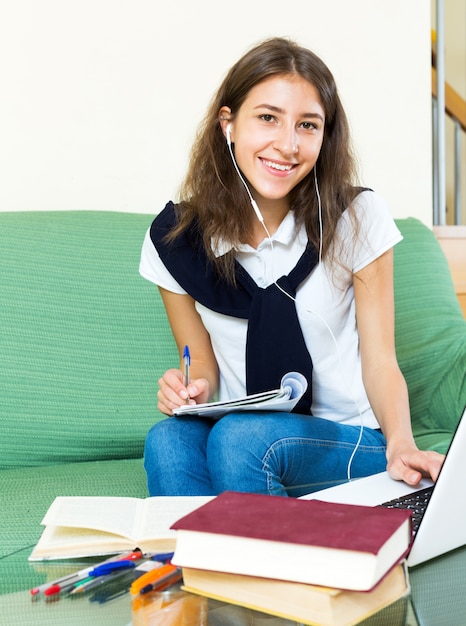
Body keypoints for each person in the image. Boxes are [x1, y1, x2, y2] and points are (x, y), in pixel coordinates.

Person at [139, 37, 444, 497]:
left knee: (240, 439)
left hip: (346, 437)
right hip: (240, 431)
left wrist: (401, 442)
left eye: (308, 125)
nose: (287, 145)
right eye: (267, 118)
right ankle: (201, 568)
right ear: (229, 125)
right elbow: (199, 361)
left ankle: (269, 564)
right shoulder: (176, 241)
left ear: (325, 136)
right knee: (168, 441)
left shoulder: (355, 218)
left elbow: (380, 359)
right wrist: (189, 389)